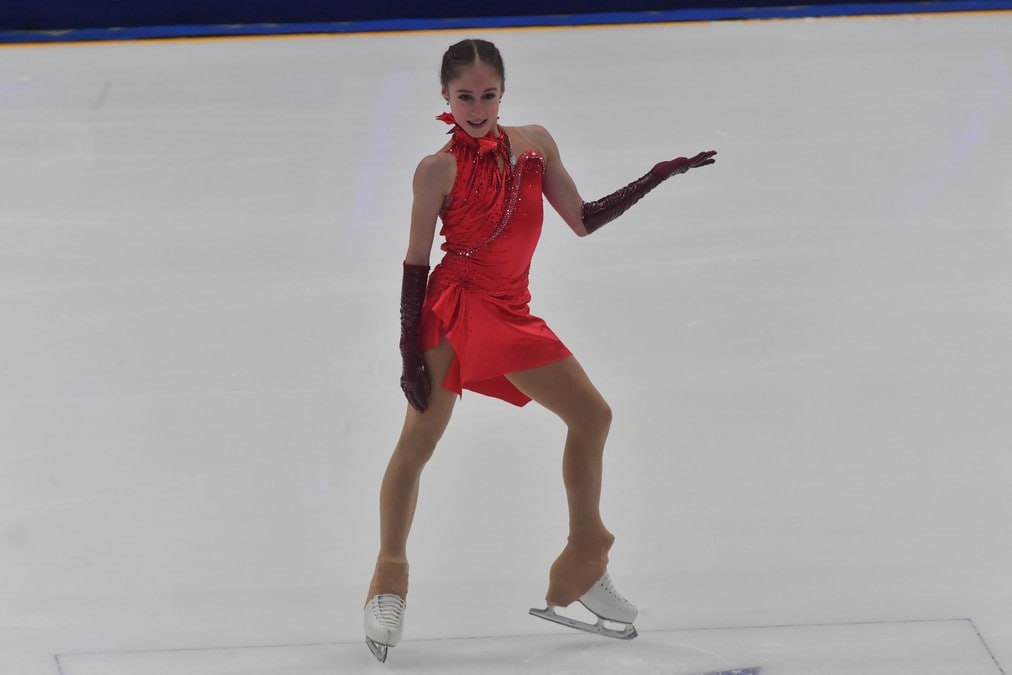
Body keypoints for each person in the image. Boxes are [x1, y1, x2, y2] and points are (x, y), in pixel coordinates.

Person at [363, 37, 716, 663]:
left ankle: (583, 562)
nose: (477, 108)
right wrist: (407, 351)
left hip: (511, 310)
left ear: (504, 92)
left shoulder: (535, 145)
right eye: (464, 96)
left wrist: (655, 177)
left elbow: (582, 218)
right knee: (418, 442)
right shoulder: (436, 169)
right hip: (456, 306)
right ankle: (388, 583)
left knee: (592, 415)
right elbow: (416, 263)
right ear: (445, 96)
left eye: (487, 94)